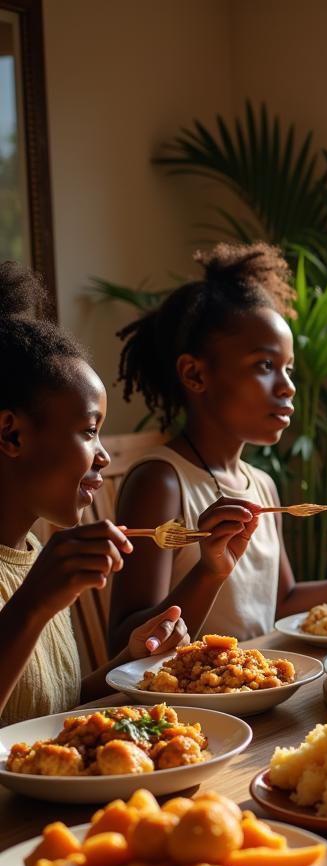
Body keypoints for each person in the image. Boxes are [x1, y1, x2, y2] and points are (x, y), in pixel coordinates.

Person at [108, 243, 327, 650]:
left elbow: (282, 603)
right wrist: (208, 571)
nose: (288, 386)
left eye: (288, 368)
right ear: (194, 374)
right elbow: (124, 642)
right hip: (189, 701)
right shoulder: (163, 481)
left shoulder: (259, 483)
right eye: (265, 366)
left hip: (260, 684)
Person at [0, 263, 191, 725]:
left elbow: (54, 710)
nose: (103, 456)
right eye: (89, 431)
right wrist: (32, 604)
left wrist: (130, 660)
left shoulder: (36, 554)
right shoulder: (39, 582)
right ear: (11, 434)